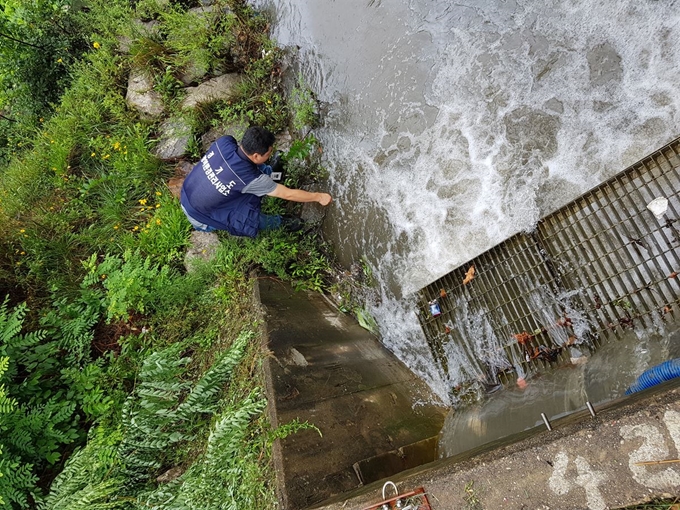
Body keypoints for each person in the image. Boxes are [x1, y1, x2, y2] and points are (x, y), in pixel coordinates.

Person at [180, 126, 332, 237]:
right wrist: (318, 197)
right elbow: (287, 194)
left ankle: (272, 174)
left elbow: (244, 166)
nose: (270, 154)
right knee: (248, 219)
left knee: (253, 174)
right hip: (199, 215)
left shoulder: (225, 142)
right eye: (268, 153)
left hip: (189, 191)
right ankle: (280, 223)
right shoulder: (248, 178)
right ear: (257, 156)